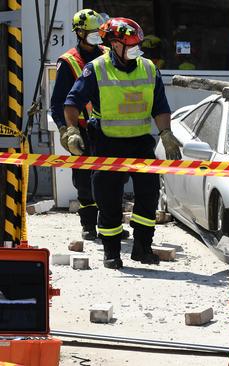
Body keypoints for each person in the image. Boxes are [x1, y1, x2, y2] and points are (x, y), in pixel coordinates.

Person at [63, 17, 182, 269]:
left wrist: (166, 134)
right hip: (106, 143)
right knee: (108, 200)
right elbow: (72, 103)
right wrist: (72, 130)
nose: (136, 50)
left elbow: (160, 106)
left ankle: (142, 249)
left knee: (149, 195)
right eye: (130, 45)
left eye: (138, 45)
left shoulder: (148, 68)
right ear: (115, 44)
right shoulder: (96, 69)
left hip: (140, 143)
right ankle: (111, 253)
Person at [52, 9, 109, 240]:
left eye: (99, 31)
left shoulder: (108, 55)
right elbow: (58, 102)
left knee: (108, 179)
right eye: (91, 31)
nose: (96, 35)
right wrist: (66, 130)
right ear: (79, 32)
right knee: (84, 181)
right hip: (82, 130)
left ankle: (109, 224)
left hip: (108, 128)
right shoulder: (68, 62)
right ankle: (88, 225)